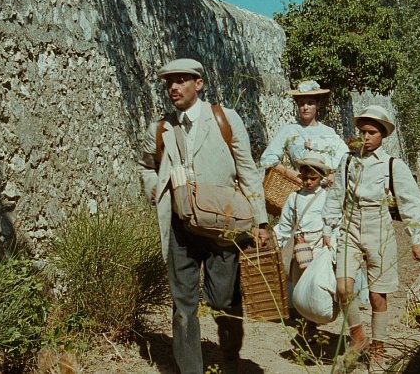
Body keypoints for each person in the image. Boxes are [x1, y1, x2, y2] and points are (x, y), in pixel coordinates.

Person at [138, 58, 270, 374]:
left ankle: (230, 351)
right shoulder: (161, 129)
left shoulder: (225, 119)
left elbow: (247, 170)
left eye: (181, 80)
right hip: (180, 227)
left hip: (222, 224)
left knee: (222, 299)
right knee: (184, 305)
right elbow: (145, 165)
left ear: (198, 84)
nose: (174, 87)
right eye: (169, 82)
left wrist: (261, 221)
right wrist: (154, 187)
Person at [321, 104, 420, 368]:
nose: (366, 137)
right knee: (343, 288)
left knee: (377, 295)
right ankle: (358, 337)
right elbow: (336, 195)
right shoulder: (348, 161)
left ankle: (379, 349)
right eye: (363, 132)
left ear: (383, 135)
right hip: (350, 226)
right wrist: (328, 228)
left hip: (379, 228)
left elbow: (410, 201)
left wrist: (416, 237)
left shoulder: (393, 165)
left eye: (372, 133)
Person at [272, 153, 333, 342]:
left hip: (320, 245)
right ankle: (307, 325)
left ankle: (318, 317)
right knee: (300, 286)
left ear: (320, 177)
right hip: (300, 247)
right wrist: (280, 243)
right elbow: (285, 224)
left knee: (316, 284)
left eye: (313, 178)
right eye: (305, 178)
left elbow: (332, 221)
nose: (308, 182)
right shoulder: (294, 197)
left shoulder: (327, 196)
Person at [260, 80, 349, 186]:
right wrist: (289, 173)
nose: (305, 108)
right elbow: (268, 158)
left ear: (318, 105)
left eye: (310, 103)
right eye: (301, 104)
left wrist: (333, 174)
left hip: (326, 188)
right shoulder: (289, 130)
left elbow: (343, 157)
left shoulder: (328, 131)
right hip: (300, 185)